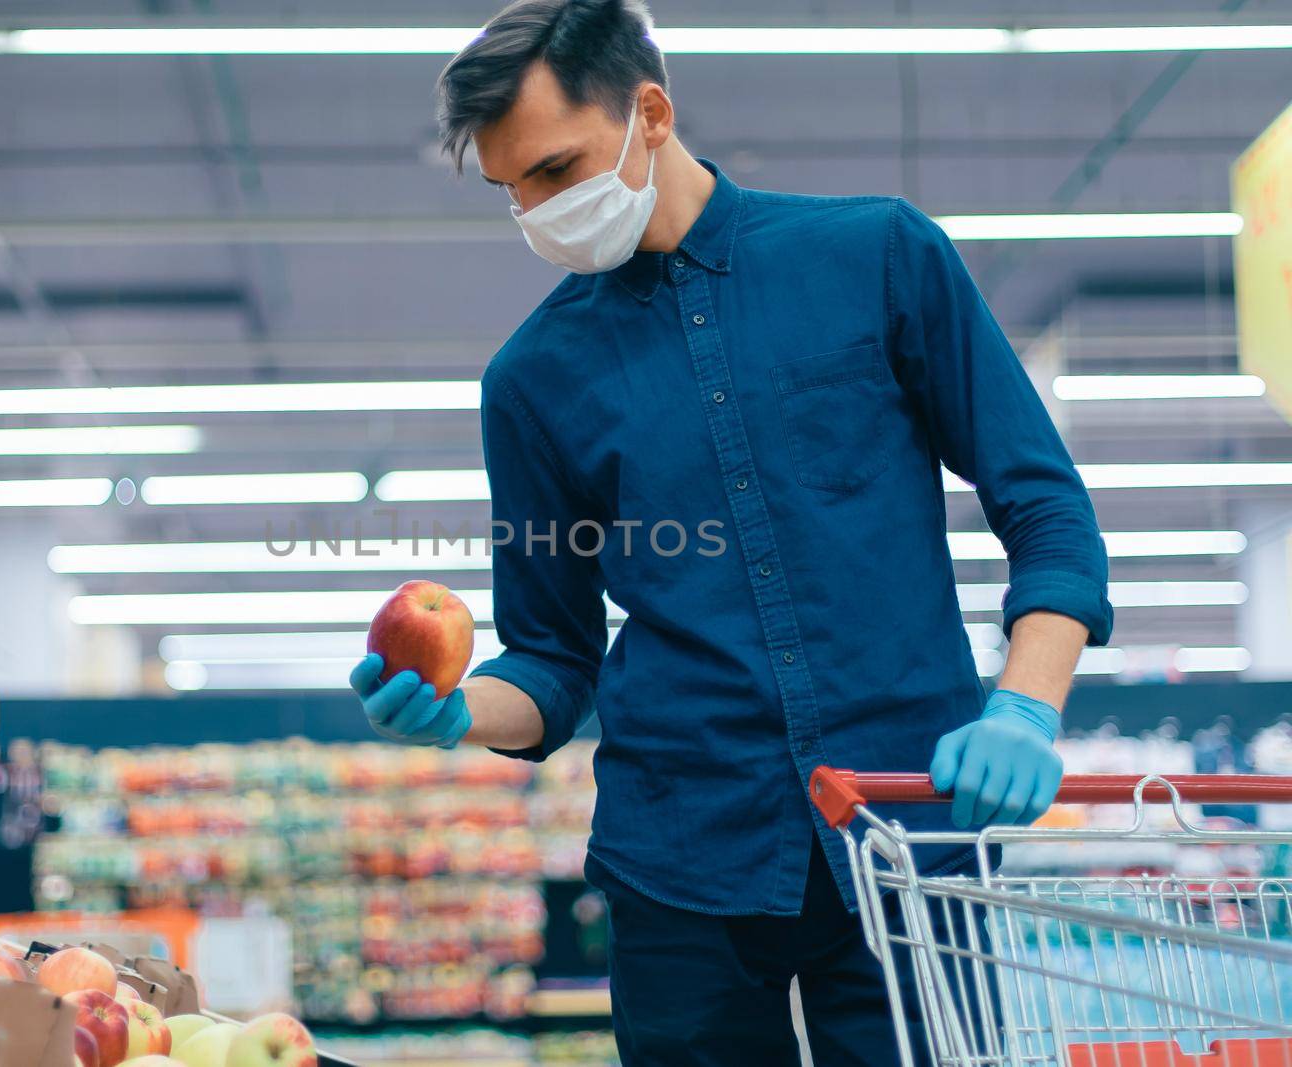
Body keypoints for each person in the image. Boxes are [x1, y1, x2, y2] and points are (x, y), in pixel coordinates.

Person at [347, 1, 1114, 1063]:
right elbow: (553, 663)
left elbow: (1046, 510)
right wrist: (453, 714)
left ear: (649, 113)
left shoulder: (877, 257)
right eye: (510, 188)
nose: (536, 209)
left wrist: (1025, 702)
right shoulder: (532, 380)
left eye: (558, 170)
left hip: (907, 831)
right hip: (679, 860)